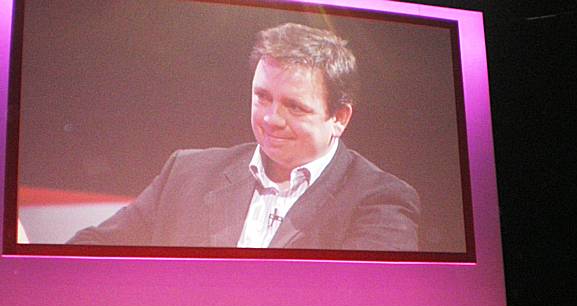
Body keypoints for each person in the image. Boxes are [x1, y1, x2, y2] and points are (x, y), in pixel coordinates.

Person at [67, 23, 420, 251]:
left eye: (294, 107)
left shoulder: (381, 202)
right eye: (262, 97)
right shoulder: (186, 172)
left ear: (339, 117)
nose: (270, 119)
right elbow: (94, 250)